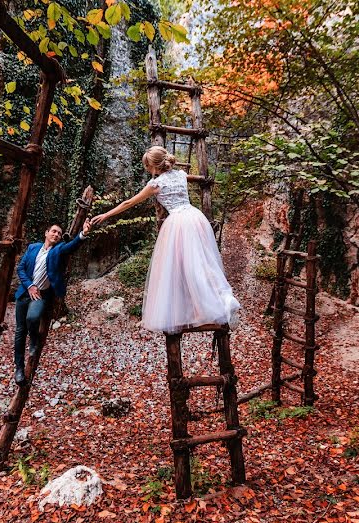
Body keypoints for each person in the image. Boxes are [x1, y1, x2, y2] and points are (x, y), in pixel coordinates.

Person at [90, 146, 240, 334]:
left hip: (178, 223)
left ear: (152, 166)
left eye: (147, 165)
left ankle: (206, 308)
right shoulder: (180, 175)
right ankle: (220, 299)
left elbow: (129, 202)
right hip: (194, 217)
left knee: (182, 267)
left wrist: (106, 215)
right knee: (203, 261)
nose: (146, 169)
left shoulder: (156, 184)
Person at [13, 219, 92, 385]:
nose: (56, 234)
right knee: (20, 332)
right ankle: (19, 368)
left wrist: (83, 233)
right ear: (46, 233)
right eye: (53, 231)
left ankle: (34, 339)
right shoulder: (33, 248)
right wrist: (30, 285)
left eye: (58, 233)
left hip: (41, 295)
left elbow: (72, 246)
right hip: (24, 293)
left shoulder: (58, 250)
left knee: (32, 318)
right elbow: (20, 269)